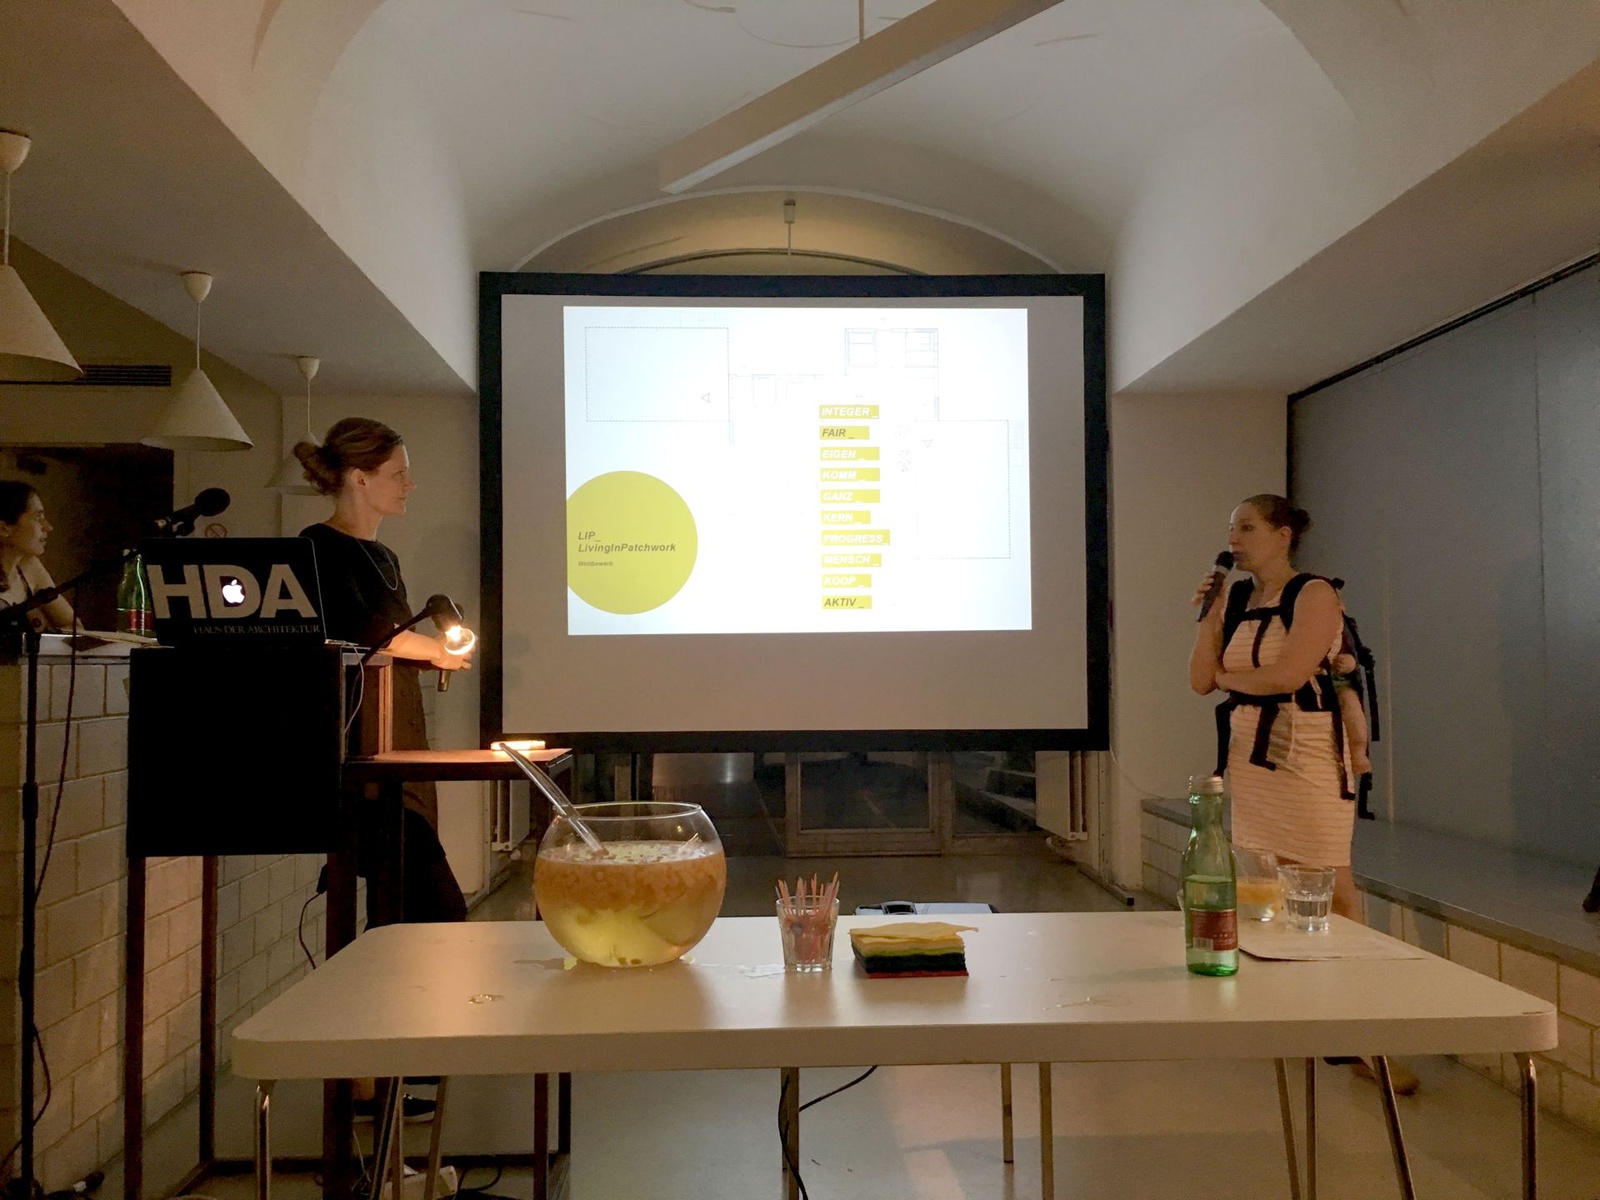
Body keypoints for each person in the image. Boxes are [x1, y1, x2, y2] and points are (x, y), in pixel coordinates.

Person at [1189, 494, 1417, 1094]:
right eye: (1231, 528)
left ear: (1283, 534)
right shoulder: (1238, 598)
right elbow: (1199, 680)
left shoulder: (1313, 594)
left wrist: (1232, 679)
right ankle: (1308, 1018)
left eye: (1247, 527)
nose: (1234, 539)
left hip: (1309, 755)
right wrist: (1210, 616)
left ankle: (1368, 1039)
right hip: (1252, 759)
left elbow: (1288, 676)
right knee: (1271, 888)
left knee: (1333, 892)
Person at [294, 418, 472, 925]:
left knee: (400, 902)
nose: (409, 485)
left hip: (401, 739)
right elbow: (363, 629)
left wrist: (435, 651)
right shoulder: (319, 546)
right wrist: (434, 650)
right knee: (434, 905)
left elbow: (392, 639)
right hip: (363, 748)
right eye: (398, 474)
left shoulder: (385, 556)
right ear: (359, 478)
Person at [0, 481, 75, 633]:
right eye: (37, 517)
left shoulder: (29, 566)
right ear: (4, 528)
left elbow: (73, 626)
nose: (48, 527)